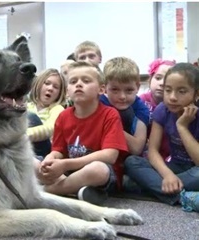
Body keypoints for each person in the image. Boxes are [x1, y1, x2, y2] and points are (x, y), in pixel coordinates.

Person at [36, 61, 128, 205]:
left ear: (101, 89)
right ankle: (75, 190)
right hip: (68, 173)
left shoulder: (110, 114)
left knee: (98, 169)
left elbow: (110, 155)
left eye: (86, 81)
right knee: (32, 162)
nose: (78, 84)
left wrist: (65, 164)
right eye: (73, 82)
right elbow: (58, 150)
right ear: (67, 91)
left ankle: (47, 191)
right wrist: (50, 159)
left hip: (99, 174)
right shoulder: (63, 116)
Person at [125, 63, 199, 213]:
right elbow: (152, 150)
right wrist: (168, 175)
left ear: (196, 94)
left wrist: (182, 127)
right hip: (175, 167)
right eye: (168, 90)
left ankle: (144, 186)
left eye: (182, 91)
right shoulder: (162, 110)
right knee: (132, 162)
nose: (172, 97)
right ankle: (182, 196)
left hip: (195, 170)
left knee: (130, 182)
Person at [100, 57, 148, 156]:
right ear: (104, 88)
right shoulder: (97, 103)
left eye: (129, 90)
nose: (122, 96)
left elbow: (137, 148)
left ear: (137, 87)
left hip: (128, 159)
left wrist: (109, 125)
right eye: (115, 90)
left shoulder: (140, 108)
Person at [139, 59, 176, 160]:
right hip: (144, 150)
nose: (162, 83)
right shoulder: (141, 101)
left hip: (171, 154)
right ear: (150, 79)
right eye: (158, 78)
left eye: (168, 80)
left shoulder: (176, 104)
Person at [27, 68, 66, 157]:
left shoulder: (57, 109)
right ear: (38, 84)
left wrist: (23, 135)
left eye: (55, 87)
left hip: (44, 151)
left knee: (30, 116)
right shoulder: (27, 106)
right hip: (23, 147)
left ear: (59, 93)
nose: (50, 88)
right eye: (47, 83)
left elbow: (50, 128)